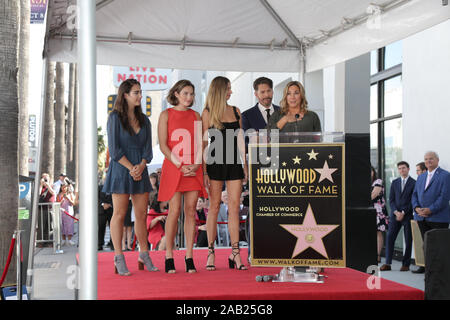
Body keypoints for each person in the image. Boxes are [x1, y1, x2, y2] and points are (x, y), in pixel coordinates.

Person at [102, 78, 158, 276]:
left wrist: (141, 166)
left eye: (140, 92)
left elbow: (148, 150)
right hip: (120, 170)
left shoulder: (146, 120)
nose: (140, 96)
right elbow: (114, 150)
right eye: (136, 92)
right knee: (119, 214)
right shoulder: (114, 118)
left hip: (140, 170)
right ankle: (119, 257)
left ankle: (144, 254)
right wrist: (131, 168)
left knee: (142, 215)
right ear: (125, 95)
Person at [157, 79, 207, 273]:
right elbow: (163, 145)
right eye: (185, 93)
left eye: (192, 94)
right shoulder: (165, 115)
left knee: (190, 211)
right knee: (174, 211)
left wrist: (195, 164)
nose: (189, 97)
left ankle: (189, 256)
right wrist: (180, 165)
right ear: (176, 94)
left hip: (194, 168)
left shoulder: (196, 116)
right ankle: (169, 256)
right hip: (174, 168)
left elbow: (202, 144)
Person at [202, 76, 248, 271]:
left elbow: (240, 141)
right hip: (214, 163)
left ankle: (235, 253)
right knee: (213, 207)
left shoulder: (236, 111)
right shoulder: (207, 113)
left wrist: (245, 165)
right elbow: (204, 144)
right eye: (228, 89)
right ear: (220, 90)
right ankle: (211, 252)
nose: (231, 92)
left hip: (234, 163)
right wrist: (204, 171)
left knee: (235, 207)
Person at [411, 151, 450, 274]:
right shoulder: (421, 176)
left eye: (431, 159)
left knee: (439, 248)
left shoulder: (445, 175)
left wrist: (430, 209)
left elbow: (444, 197)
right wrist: (417, 208)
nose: (428, 161)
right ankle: (430, 273)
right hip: (422, 218)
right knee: (426, 246)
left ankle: (440, 274)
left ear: (437, 160)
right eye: (426, 159)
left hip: (438, 218)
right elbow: (415, 194)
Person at [380, 161, 416, 271]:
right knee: (390, 237)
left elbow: (413, 200)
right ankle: (388, 263)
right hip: (395, 215)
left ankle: (406, 264)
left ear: (408, 169)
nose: (401, 170)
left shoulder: (414, 183)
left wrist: (403, 212)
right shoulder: (394, 182)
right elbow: (391, 200)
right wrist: (396, 212)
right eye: (399, 168)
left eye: (403, 168)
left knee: (408, 239)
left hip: (407, 215)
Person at [241, 77, 280, 145]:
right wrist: (254, 141)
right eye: (262, 92)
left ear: (272, 91)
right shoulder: (246, 116)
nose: (267, 95)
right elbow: (245, 143)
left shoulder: (283, 112)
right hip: (259, 155)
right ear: (256, 94)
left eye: (269, 91)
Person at [371, 166, 389, 263]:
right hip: (368, 210)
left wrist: (361, 201)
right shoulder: (364, 182)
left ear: (374, 172)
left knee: (378, 232)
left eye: (371, 171)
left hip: (378, 211)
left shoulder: (378, 181)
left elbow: (374, 194)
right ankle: (370, 253)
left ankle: (377, 255)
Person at [57, 180, 76, 246]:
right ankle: (63, 240)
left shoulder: (70, 194)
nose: (64, 188)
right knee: (63, 225)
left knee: (69, 225)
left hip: (69, 212)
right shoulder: (59, 195)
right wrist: (61, 201)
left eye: (65, 187)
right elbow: (57, 203)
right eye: (62, 187)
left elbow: (73, 203)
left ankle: (70, 239)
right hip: (62, 212)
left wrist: (68, 198)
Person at [98, 178, 113, 251]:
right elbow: (97, 198)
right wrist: (103, 204)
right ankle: (99, 244)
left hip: (111, 210)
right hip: (101, 211)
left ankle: (112, 243)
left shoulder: (113, 187)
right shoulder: (99, 188)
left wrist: (110, 204)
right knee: (101, 228)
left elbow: (115, 197)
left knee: (113, 227)